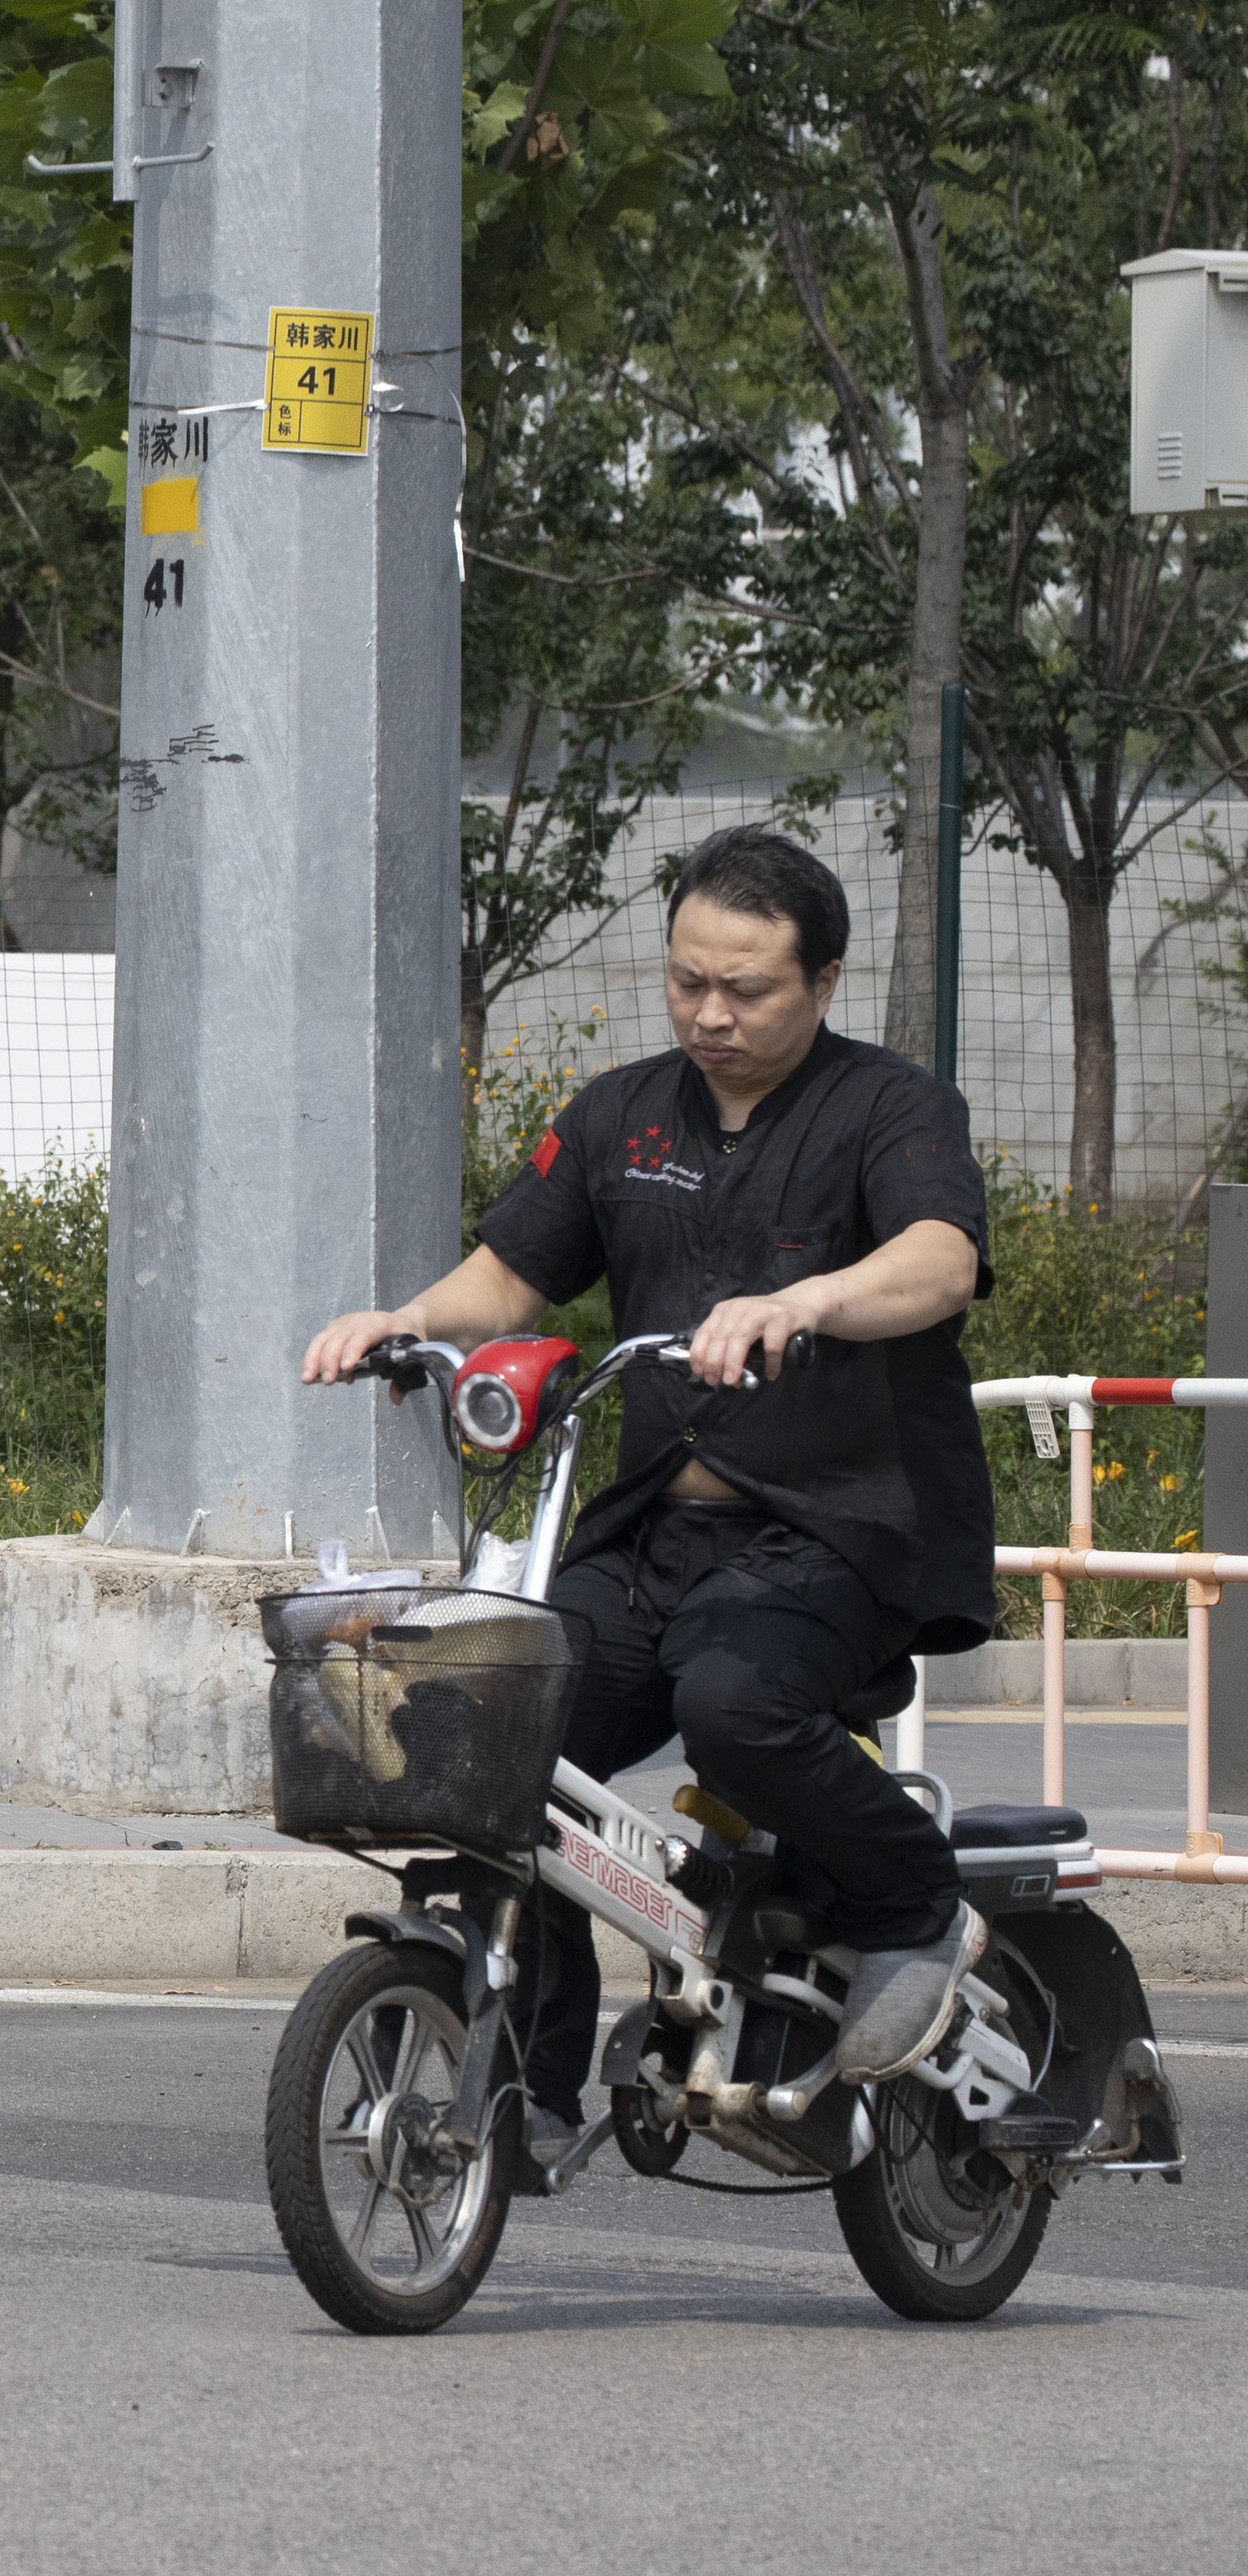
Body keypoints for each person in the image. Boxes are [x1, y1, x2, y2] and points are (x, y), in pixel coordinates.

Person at [299, 825, 998, 2159]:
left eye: (748, 990)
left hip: (834, 1533)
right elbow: (510, 1275)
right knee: (490, 1729)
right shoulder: (622, 1114)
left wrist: (809, 1300)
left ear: (826, 980)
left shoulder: (891, 1107)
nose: (711, 1014)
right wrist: (405, 1318)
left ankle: (915, 1903)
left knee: (733, 1708)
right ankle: (532, 2077)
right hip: (651, 1533)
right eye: (688, 982)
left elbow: (941, 1261)